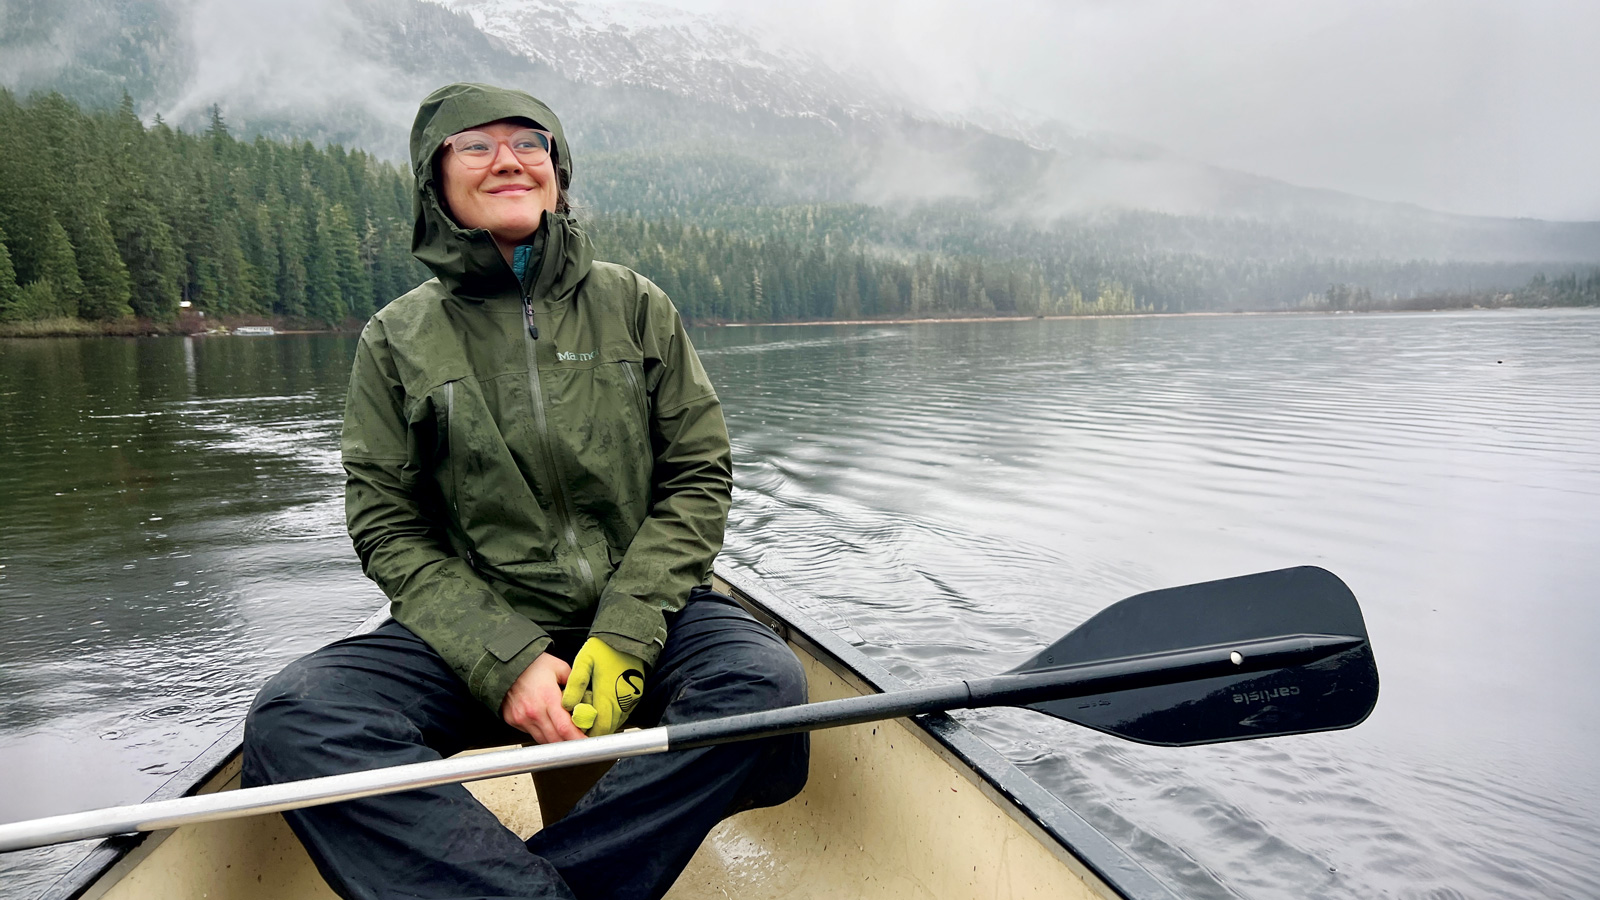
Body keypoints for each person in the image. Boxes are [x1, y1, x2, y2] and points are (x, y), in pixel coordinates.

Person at [242, 82, 809, 900]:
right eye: (475, 145)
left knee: (764, 688)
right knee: (297, 717)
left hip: (646, 614)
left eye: (529, 143)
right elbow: (387, 527)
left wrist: (626, 630)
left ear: (556, 169)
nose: (507, 159)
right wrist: (504, 658)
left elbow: (698, 476)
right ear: (435, 181)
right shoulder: (394, 337)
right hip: (476, 632)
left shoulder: (635, 305)